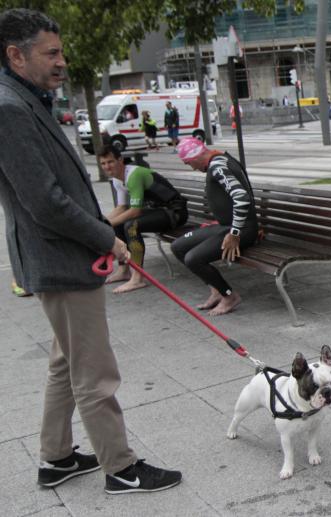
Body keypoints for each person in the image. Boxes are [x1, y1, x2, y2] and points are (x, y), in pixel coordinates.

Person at [0, 8, 181, 493]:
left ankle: (56, 459)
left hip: (62, 257)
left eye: (62, 51)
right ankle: (121, 468)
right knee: (95, 373)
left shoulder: (25, 99)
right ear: (16, 55)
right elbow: (45, 202)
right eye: (51, 53)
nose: (62, 61)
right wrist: (107, 237)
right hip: (60, 260)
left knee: (66, 361)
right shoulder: (9, 108)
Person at [171, 138, 258, 316]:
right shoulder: (218, 161)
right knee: (178, 246)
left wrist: (234, 234)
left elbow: (241, 197)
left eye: (189, 163)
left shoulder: (218, 166)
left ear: (197, 156)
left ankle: (229, 296)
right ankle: (216, 290)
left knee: (193, 258)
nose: (192, 168)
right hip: (225, 226)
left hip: (242, 230)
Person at [99, 145, 188, 293]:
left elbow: (134, 211)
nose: (107, 167)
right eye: (103, 163)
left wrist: (106, 224)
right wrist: (103, 223)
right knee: (118, 225)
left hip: (174, 212)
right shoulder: (117, 179)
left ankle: (137, 278)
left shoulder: (134, 175)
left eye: (110, 162)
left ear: (120, 160)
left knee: (131, 225)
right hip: (158, 211)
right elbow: (121, 207)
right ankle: (124, 270)